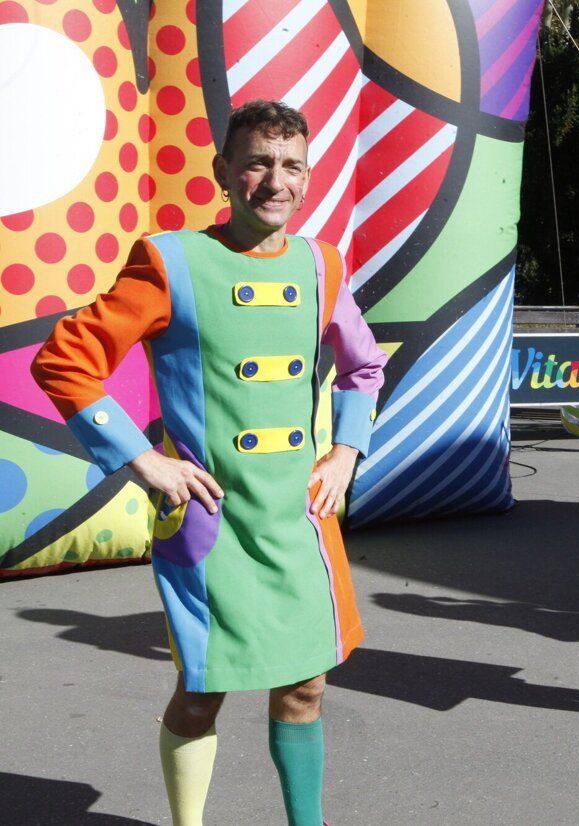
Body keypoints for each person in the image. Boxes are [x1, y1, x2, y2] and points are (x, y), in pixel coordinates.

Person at [33, 99, 387, 824]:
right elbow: (65, 361)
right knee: (203, 690)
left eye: (291, 165)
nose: (274, 180)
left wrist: (347, 450)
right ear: (224, 170)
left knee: (306, 688)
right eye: (257, 161)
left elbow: (364, 367)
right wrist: (144, 461)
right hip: (213, 526)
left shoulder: (322, 263)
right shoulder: (169, 261)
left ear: (308, 175)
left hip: (299, 522)